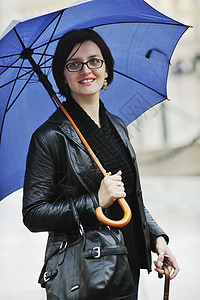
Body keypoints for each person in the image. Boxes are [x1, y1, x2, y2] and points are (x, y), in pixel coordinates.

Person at [23, 29, 179, 300]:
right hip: (87, 272)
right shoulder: (49, 137)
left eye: (95, 61)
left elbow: (127, 196)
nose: (86, 70)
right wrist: (95, 201)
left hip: (129, 264)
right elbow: (34, 214)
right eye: (74, 64)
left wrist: (157, 239)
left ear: (107, 69)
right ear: (63, 74)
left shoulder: (117, 125)